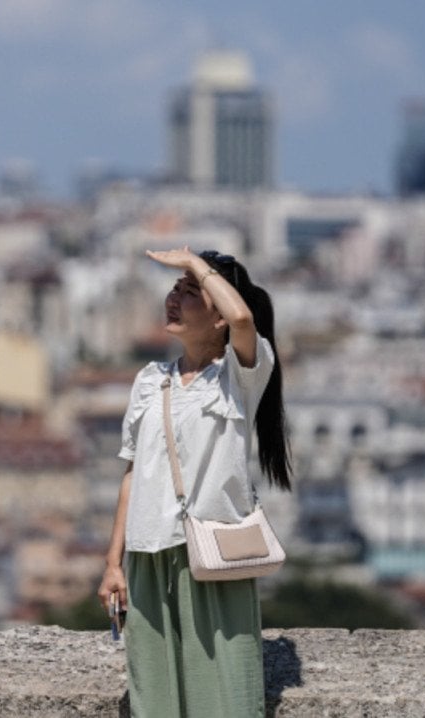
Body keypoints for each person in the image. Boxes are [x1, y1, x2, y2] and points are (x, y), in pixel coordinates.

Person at [98, 247, 292, 717]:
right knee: (154, 698)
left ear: (217, 316)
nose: (174, 299)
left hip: (212, 552)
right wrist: (113, 563)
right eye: (174, 289)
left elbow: (244, 318)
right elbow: (133, 473)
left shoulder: (239, 375)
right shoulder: (150, 380)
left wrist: (194, 264)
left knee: (224, 696)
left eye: (190, 293)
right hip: (148, 554)